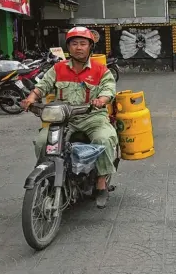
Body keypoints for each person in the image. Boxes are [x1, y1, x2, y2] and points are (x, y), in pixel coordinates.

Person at [21, 26, 118, 209]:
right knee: (43, 141)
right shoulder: (57, 68)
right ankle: (49, 176)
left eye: (83, 43)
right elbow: (42, 86)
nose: (78, 47)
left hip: (93, 118)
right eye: (74, 44)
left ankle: (101, 183)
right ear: (68, 47)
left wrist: (102, 99)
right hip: (64, 119)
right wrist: (31, 98)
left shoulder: (101, 70)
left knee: (104, 139)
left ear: (90, 47)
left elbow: (108, 89)